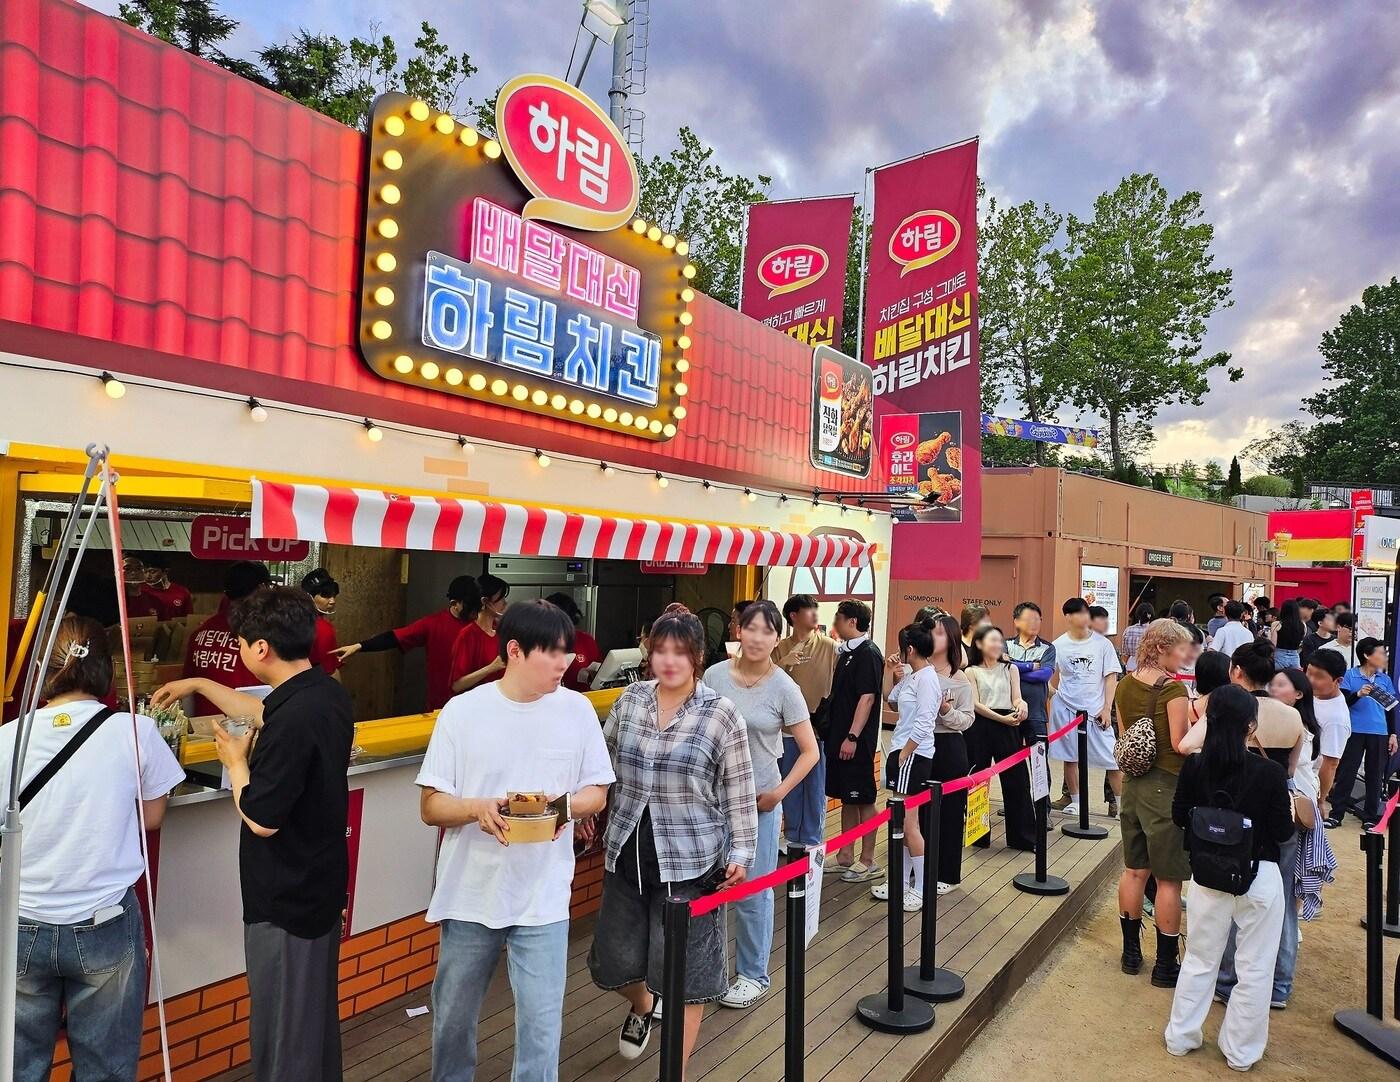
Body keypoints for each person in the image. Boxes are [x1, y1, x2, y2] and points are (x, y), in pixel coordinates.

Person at [159, 586, 355, 1080]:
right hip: (318, 887)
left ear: (261, 647)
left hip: (286, 900)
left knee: (283, 1031)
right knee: (310, 1024)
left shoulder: (294, 718)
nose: (242, 650)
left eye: (243, 642)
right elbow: (257, 711)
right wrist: (198, 683)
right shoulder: (322, 692)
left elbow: (262, 819)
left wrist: (236, 762)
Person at [416, 600, 614, 1082]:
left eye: (567, 651)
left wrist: (561, 809)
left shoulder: (577, 711)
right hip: (469, 893)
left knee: (541, 1027)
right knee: (453, 1018)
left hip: (543, 895)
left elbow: (597, 792)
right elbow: (431, 806)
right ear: (515, 651)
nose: (565, 662)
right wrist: (476, 808)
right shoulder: (463, 712)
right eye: (552, 652)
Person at [3, 616, 185, 1081]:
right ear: (108, 669)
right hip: (105, 921)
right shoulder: (137, 731)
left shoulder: (7, 739)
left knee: (17, 1067)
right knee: (105, 1069)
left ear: (42, 672)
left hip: (20, 921)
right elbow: (152, 817)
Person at [589, 604, 756, 1071]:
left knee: (685, 978)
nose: (668, 660)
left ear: (697, 656)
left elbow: (739, 789)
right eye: (660, 649)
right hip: (626, 852)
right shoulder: (631, 700)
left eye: (680, 652)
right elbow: (601, 760)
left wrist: (742, 852)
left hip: (691, 863)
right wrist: (581, 804)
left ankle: (673, 1073)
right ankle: (643, 1004)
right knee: (613, 961)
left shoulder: (721, 714)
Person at [1164, 686, 1295, 1071]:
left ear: (1209, 720)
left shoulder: (1195, 766)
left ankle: (1181, 1036)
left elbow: (1179, 816)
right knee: (1255, 968)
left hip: (1207, 875)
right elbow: (1283, 832)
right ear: (1251, 726)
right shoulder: (1270, 773)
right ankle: (1241, 1052)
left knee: (1200, 959)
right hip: (1259, 876)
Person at [704, 600, 818, 1008]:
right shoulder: (715, 675)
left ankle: (753, 974)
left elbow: (809, 752)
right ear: (738, 630)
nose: (756, 637)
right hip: (712, 801)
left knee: (753, 890)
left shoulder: (785, 688)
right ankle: (707, 972)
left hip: (759, 802)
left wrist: (779, 793)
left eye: (766, 631)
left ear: (777, 637)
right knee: (708, 889)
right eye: (750, 628)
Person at [1115, 618, 1194, 988]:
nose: (1185, 656)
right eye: (1180, 648)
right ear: (1162, 647)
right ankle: (1165, 964)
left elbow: (1125, 738)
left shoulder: (1124, 685)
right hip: (1166, 787)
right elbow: (1180, 744)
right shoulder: (1173, 690)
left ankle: (1131, 954)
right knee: (1168, 880)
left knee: (1134, 871)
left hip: (1132, 785)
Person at [333, 575, 482, 711]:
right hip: (443, 706)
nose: (475, 613)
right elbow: (394, 637)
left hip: (478, 703)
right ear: (454, 603)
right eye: (471, 608)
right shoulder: (433, 624)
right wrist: (359, 646)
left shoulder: (484, 625)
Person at [873, 618, 942, 910]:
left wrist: (904, 753)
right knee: (901, 821)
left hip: (912, 754)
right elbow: (891, 699)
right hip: (904, 751)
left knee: (909, 823)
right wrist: (890, 671)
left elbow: (926, 722)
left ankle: (922, 888)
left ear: (910, 649)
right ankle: (900, 883)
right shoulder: (914, 675)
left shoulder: (927, 678)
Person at [825, 599, 885, 881]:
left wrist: (852, 736)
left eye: (838, 617)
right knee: (847, 797)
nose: (835, 623)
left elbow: (867, 697)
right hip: (838, 737)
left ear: (852, 621)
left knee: (863, 798)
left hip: (856, 741)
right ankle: (845, 854)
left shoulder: (868, 653)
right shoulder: (847, 652)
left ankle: (868, 859)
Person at [775, 594, 837, 852]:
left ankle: (812, 838)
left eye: (815, 609)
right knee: (789, 784)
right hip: (785, 729)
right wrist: (782, 663)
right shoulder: (779, 648)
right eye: (809, 609)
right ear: (793, 616)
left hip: (817, 729)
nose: (815, 614)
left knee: (814, 787)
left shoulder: (830, 646)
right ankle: (791, 836)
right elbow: (765, 681)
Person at [1049, 598, 1121, 818]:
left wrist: (1107, 708)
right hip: (1067, 709)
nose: (1083, 617)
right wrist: (1056, 695)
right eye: (1078, 613)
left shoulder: (1103, 644)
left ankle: (1121, 805)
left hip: (1096, 711)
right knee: (1071, 757)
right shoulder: (1058, 645)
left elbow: (1111, 677)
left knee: (1112, 759)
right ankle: (1076, 801)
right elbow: (1046, 674)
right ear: (1068, 616)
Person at [966, 625, 1035, 851]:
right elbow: (975, 703)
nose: (998, 645)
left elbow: (1016, 697)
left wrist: (1022, 705)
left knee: (1017, 781)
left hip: (1008, 725)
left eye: (999, 640)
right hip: (980, 726)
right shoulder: (971, 671)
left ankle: (1022, 837)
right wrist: (1001, 719)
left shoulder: (1010, 668)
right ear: (979, 644)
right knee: (978, 780)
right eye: (992, 640)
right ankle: (978, 836)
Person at [181, 560, 272, 715]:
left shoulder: (201, 632)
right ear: (261, 588)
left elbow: (187, 688)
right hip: (245, 723)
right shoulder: (264, 634)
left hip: (202, 724)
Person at [1326, 638, 1398, 829]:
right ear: (1367, 655)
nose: (1384, 657)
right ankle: (1336, 814)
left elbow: (1391, 710)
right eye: (1381, 653)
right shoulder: (1350, 675)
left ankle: (1370, 817)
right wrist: (1358, 695)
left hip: (1379, 732)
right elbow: (1342, 703)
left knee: (1375, 776)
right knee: (1346, 773)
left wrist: (1393, 734)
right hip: (1354, 730)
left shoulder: (1385, 680)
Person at [927, 614, 975, 892]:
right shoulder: (915, 670)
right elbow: (894, 704)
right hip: (919, 745)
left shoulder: (960, 679)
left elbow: (967, 720)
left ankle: (947, 875)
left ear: (952, 640)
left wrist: (946, 711)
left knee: (950, 813)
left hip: (949, 747)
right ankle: (918, 870)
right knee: (919, 812)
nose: (932, 637)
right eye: (930, 631)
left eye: (939, 633)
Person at [449, 574, 512, 695]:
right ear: (485, 601)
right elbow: (456, 685)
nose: (505, 603)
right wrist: (490, 668)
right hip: (477, 702)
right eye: (501, 598)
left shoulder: (502, 632)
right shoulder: (468, 635)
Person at [1307, 650, 1350, 820]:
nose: (1311, 680)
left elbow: (1330, 763)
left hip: (1308, 782)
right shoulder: (1311, 694)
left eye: (1318, 676)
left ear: (1338, 681)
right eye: (1309, 672)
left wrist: (1320, 800)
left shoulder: (1336, 719)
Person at [1007, 601, 1056, 739]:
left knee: (1038, 753)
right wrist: (1031, 666)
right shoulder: (1005, 644)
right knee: (1011, 753)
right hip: (1009, 712)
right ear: (1016, 621)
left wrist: (1013, 671)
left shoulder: (1048, 648)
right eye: (1029, 619)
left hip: (1036, 714)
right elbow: (1002, 669)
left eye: (1037, 619)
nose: (1034, 623)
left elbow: (1044, 675)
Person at [545, 592, 602, 693]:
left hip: (584, 697)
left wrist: (593, 676)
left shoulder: (586, 640)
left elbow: (600, 674)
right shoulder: (537, 643)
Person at [300, 568, 342, 677]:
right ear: (309, 596)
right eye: (326, 595)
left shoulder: (288, 620)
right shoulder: (323, 628)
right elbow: (331, 672)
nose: (332, 601)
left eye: (334, 595)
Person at [138, 551, 194, 620]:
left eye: (152, 572)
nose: (147, 576)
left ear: (165, 571)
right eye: (145, 572)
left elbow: (189, 619)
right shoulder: (140, 591)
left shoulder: (182, 591)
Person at [1121, 603, 1155, 672]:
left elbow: (1125, 653)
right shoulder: (1154, 631)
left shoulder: (1128, 630)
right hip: (1149, 667)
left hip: (1131, 666)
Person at [1273, 600, 1306, 671]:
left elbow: (1273, 644)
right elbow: (1301, 640)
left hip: (1279, 656)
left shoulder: (1277, 624)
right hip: (1294, 658)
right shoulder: (1302, 625)